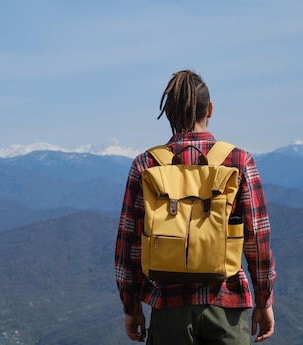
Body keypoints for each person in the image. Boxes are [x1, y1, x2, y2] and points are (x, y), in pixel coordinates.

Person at [115, 70, 276, 344]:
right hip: (227, 302)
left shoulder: (146, 165)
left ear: (167, 114)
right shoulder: (237, 161)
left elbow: (129, 247)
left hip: (168, 306)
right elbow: (257, 240)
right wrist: (264, 301)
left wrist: (132, 308)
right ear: (210, 109)